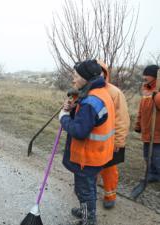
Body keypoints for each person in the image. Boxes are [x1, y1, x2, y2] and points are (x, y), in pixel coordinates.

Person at [59, 59, 115, 225]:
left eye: (75, 76)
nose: (73, 79)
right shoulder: (100, 93)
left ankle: (89, 219)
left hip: (87, 157)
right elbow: (90, 120)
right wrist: (74, 108)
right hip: (97, 154)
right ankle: (87, 210)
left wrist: (64, 117)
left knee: (84, 190)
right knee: (88, 187)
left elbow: (79, 131)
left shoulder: (91, 101)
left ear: (85, 78)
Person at [98, 61, 130, 209]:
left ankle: (110, 195)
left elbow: (122, 119)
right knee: (88, 168)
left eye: (100, 72)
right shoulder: (85, 91)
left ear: (104, 74)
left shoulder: (114, 92)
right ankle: (86, 191)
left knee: (109, 170)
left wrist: (118, 141)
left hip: (110, 141)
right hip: (92, 141)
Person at [135, 65, 160, 182]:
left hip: (157, 132)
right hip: (147, 131)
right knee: (147, 156)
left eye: (146, 75)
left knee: (156, 157)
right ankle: (152, 174)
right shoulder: (146, 89)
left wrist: (157, 96)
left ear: (154, 76)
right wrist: (138, 124)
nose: (144, 77)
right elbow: (141, 109)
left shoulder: (158, 90)